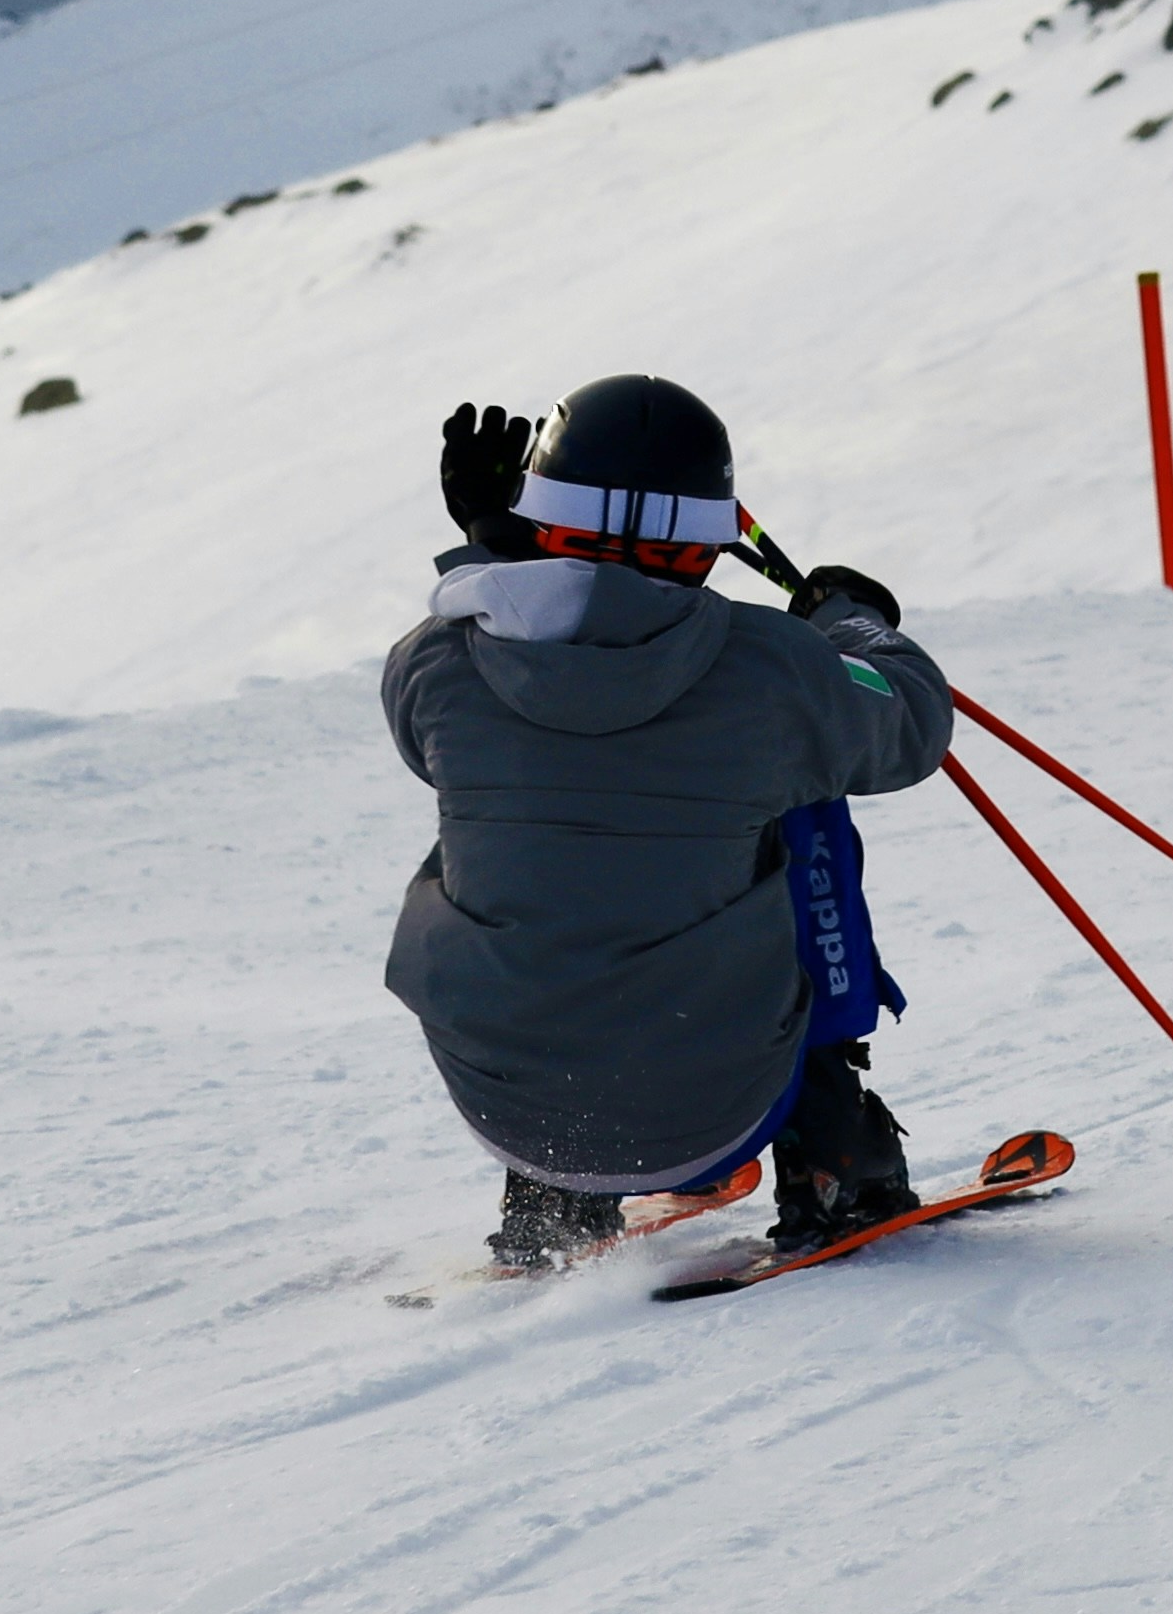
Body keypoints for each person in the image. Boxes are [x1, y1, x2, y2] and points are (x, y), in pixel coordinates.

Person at [383, 375, 955, 1275]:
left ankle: (552, 1201)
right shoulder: (774, 673)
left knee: (508, 807)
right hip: (718, 1103)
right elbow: (912, 722)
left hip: (512, 1116)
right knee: (804, 797)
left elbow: (494, 694)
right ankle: (835, 1151)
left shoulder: (437, 659)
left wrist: (495, 556)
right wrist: (852, 623)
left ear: (538, 521)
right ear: (705, 549)